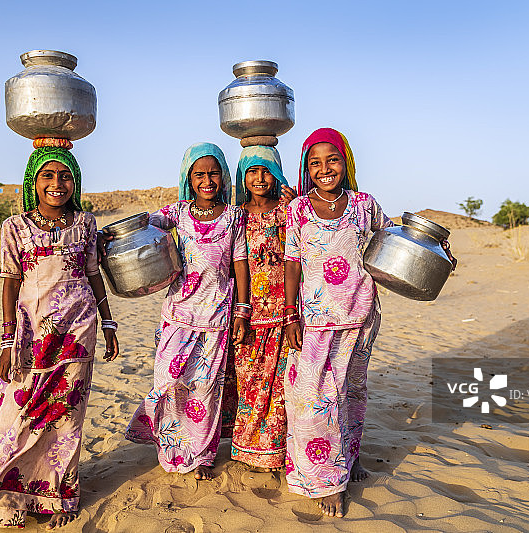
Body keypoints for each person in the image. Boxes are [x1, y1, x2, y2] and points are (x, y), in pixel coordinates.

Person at [0, 145, 119, 529]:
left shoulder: (85, 222)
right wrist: (6, 341)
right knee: (16, 416)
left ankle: (57, 497)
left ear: (76, 181)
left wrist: (109, 321)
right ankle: (4, 490)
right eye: (48, 176)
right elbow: (11, 283)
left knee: (67, 417)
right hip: (31, 334)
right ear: (33, 181)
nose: (57, 184)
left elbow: (92, 273)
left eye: (65, 176)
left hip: (79, 329)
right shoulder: (14, 227)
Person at [282, 128, 394, 518]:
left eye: (332, 159)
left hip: (361, 315)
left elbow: (390, 242)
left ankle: (349, 458)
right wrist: (290, 312)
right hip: (315, 319)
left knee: (352, 391)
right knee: (315, 400)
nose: (324, 169)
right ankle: (326, 479)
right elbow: (292, 261)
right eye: (315, 162)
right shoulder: (297, 210)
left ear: (345, 161)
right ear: (306, 168)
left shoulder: (365, 205)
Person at [125, 142, 250, 481]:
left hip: (216, 317)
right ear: (189, 178)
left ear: (223, 176)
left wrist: (241, 309)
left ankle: (200, 455)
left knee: (205, 391)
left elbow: (239, 264)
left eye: (213, 173)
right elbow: (142, 226)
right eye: (199, 174)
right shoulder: (177, 213)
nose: (207, 180)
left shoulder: (233, 216)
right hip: (177, 314)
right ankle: (170, 447)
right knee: (167, 382)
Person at [220, 146, 296, 471]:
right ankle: (251, 451)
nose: (260, 178)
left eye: (266, 170)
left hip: (285, 313)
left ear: (277, 173)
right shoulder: (236, 216)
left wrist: (296, 203)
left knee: (280, 390)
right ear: (242, 176)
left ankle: (278, 452)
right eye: (252, 171)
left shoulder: (290, 211)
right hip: (249, 313)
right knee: (250, 386)